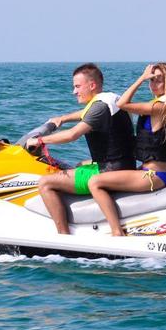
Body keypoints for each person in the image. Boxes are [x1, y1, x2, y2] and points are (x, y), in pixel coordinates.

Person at [26, 63, 136, 234]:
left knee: (45, 182)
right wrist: (62, 118)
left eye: (77, 86)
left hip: (110, 170)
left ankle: (63, 236)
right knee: (78, 165)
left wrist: (40, 140)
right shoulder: (110, 99)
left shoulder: (99, 108)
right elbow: (85, 113)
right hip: (122, 162)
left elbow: (72, 135)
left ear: (92, 85)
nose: (74, 92)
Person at [87, 62, 166, 236]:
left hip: (154, 176)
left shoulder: (159, 107)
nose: (153, 85)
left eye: (158, 80)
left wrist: (141, 78)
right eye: (151, 80)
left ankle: (116, 232)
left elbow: (121, 103)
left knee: (95, 182)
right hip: (162, 171)